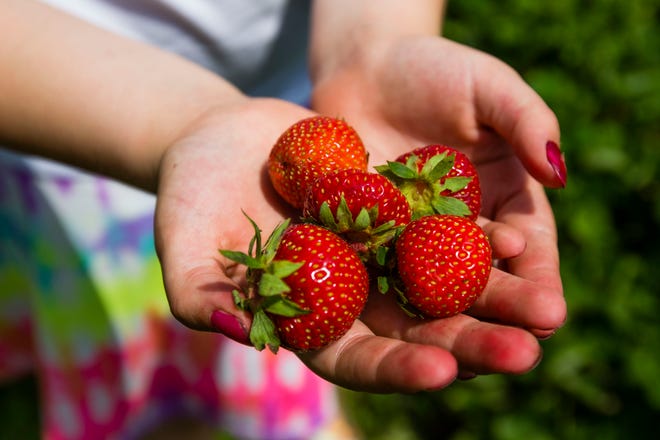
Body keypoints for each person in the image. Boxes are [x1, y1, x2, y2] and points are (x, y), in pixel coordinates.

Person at [0, 0, 568, 438]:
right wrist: (182, 123)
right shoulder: (311, 238)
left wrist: (377, 44)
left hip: (296, 98)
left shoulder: (323, 225)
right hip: (67, 116)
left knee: (239, 377)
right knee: (145, 389)